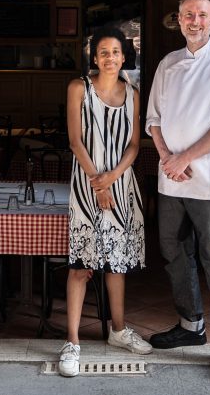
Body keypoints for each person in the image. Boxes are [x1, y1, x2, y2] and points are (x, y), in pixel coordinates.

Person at [145, 0, 210, 381]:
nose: (195, 21)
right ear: (179, 19)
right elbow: (153, 119)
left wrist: (183, 158)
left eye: (202, 15)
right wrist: (168, 159)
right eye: (189, 14)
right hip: (172, 182)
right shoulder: (168, 63)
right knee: (174, 256)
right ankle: (190, 326)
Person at [57, 25, 152, 377]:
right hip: (86, 185)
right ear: (93, 58)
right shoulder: (78, 88)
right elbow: (74, 140)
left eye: (115, 52)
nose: (110, 57)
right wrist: (98, 183)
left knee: (117, 264)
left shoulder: (134, 94)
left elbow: (134, 144)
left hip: (122, 186)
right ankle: (72, 342)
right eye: (103, 52)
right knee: (82, 265)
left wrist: (112, 179)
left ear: (124, 57)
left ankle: (118, 330)